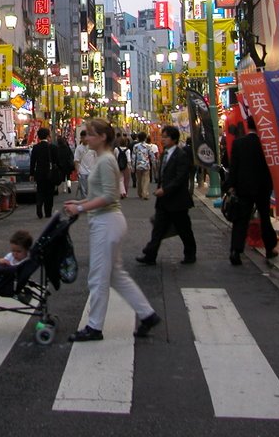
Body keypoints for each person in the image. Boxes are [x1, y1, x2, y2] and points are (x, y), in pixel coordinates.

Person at [62, 119, 161, 342]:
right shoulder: (103, 159)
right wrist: (81, 203)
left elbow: (109, 196)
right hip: (107, 221)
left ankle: (95, 326)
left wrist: (80, 207)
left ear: (103, 137)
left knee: (98, 277)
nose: (86, 138)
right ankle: (147, 314)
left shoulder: (106, 160)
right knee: (116, 275)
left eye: (90, 134)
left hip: (106, 222)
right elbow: (103, 195)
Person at [136, 125, 197, 266]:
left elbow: (180, 177)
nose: (162, 139)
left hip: (177, 200)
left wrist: (165, 190)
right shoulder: (164, 154)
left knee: (184, 228)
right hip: (164, 200)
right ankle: (150, 254)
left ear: (174, 139)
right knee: (158, 228)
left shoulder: (181, 155)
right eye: (162, 137)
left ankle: (190, 254)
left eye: (165, 137)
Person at [224, 116, 279, 265]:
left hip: (244, 188)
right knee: (265, 217)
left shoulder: (239, 143)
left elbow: (233, 167)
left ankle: (236, 251)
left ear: (247, 126)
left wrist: (230, 185)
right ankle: (269, 248)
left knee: (241, 220)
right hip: (263, 187)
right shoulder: (267, 144)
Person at [29, 127, 59, 219]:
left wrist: (32, 174)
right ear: (48, 136)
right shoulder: (53, 147)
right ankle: (48, 212)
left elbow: (33, 162)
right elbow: (56, 161)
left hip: (39, 173)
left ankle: (39, 205)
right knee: (49, 193)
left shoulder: (35, 148)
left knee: (40, 191)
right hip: (50, 173)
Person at [74, 130, 96, 200]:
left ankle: (89, 202)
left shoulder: (92, 147)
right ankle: (85, 202)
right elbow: (76, 160)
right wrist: (77, 170)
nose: (84, 139)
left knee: (91, 188)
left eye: (85, 137)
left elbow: (97, 158)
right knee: (83, 190)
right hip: (82, 171)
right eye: (82, 138)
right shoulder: (79, 148)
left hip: (92, 171)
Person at [132, 132, 152, 199]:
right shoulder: (148, 146)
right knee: (146, 179)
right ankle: (145, 193)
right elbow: (151, 155)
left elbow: (133, 157)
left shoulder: (136, 146)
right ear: (145, 138)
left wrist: (133, 166)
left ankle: (140, 193)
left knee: (139, 180)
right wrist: (154, 161)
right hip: (146, 164)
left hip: (138, 165)